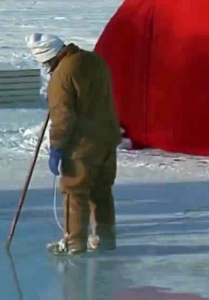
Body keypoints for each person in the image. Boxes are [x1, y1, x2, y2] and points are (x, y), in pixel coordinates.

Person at [26, 33, 122, 255]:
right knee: (102, 191)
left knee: (75, 192)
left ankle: (74, 243)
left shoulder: (62, 74)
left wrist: (57, 146)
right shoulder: (95, 60)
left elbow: (63, 115)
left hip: (82, 144)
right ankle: (105, 239)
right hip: (107, 139)